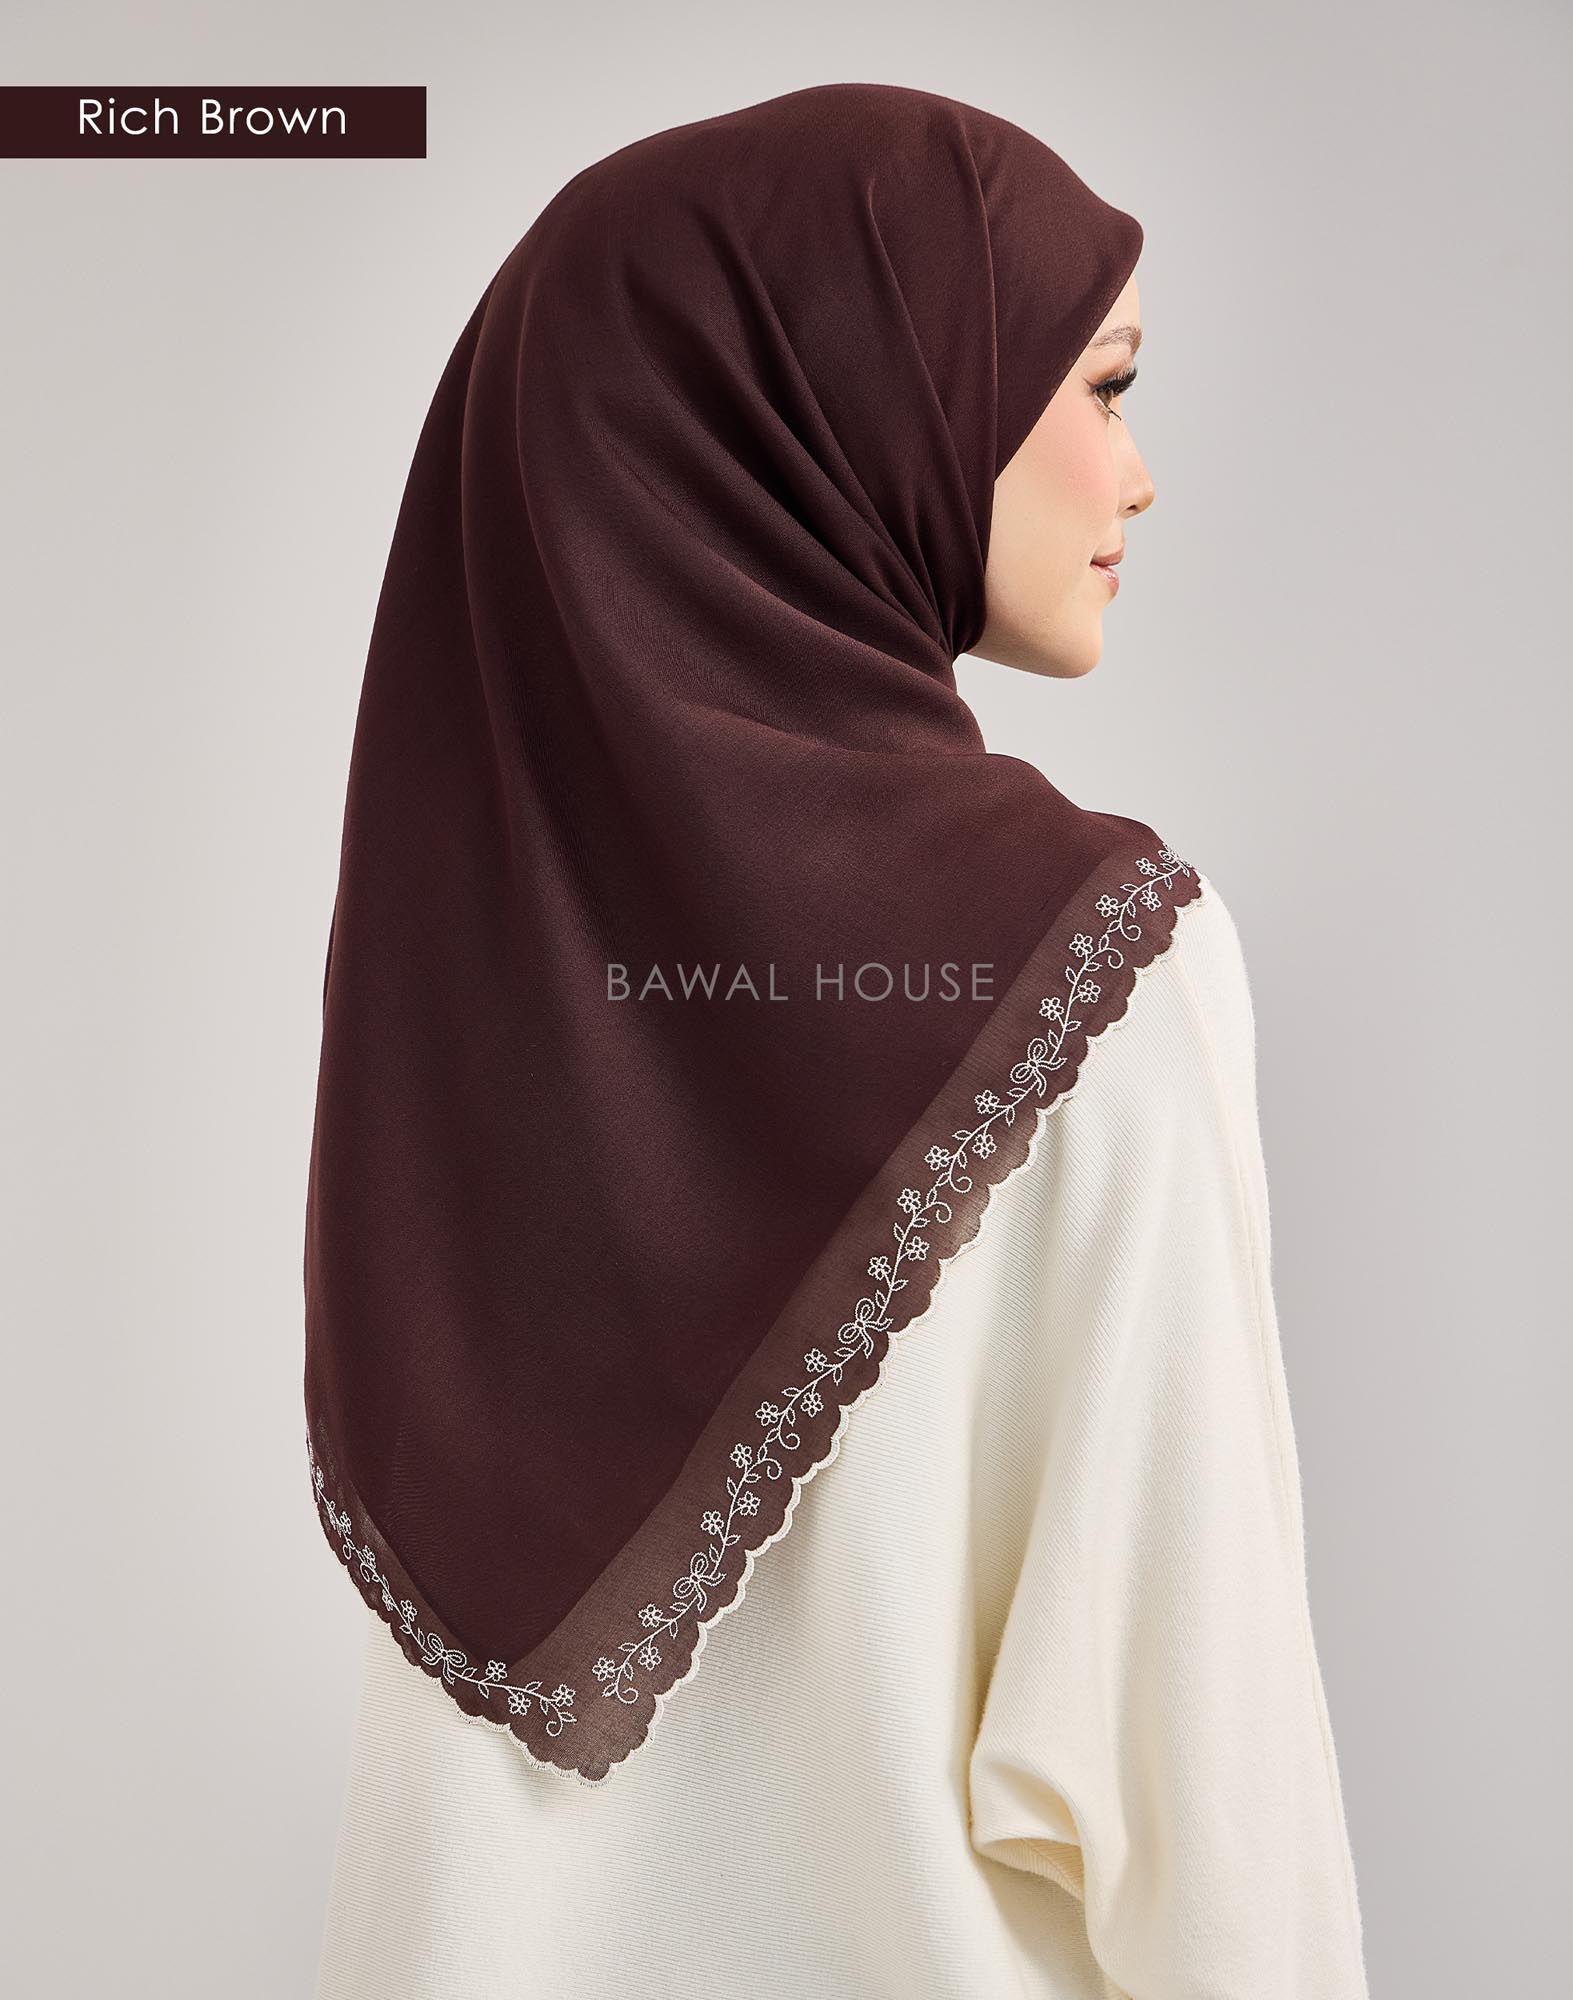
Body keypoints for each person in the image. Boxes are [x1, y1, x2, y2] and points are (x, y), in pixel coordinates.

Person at [306, 83, 1369, 1998]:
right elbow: (1204, 1783)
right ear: (860, 400)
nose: (1138, 477)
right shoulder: (1100, 978)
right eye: (1105, 386)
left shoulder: (459, 1029)